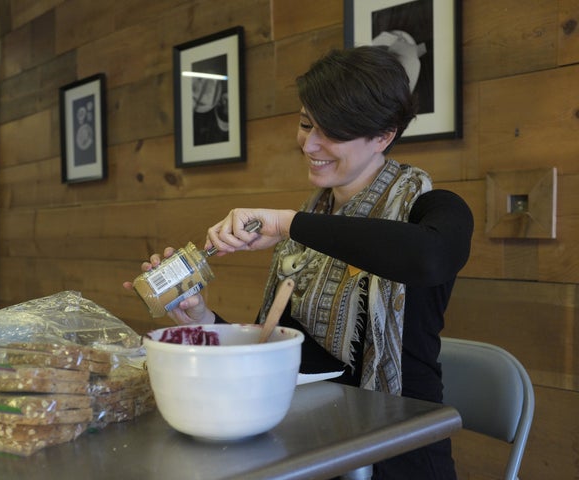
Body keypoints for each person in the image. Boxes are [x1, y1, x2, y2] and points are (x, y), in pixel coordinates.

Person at [124, 46, 473, 480]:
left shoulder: (433, 210)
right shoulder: (308, 227)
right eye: (306, 124)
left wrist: (290, 223)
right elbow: (289, 352)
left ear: (384, 135)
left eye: (332, 132)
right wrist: (203, 317)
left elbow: (428, 258)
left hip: (397, 449)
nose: (309, 144)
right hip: (308, 439)